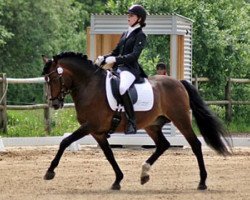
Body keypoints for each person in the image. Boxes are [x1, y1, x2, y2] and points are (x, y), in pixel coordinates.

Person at [95, 4, 148, 134]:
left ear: (139, 19)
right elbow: (115, 51)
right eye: (128, 15)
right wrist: (104, 58)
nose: (128, 18)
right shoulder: (125, 33)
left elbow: (134, 56)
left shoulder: (140, 35)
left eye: (131, 15)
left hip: (130, 69)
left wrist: (115, 60)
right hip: (118, 69)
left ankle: (132, 121)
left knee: (123, 88)